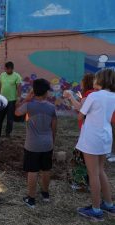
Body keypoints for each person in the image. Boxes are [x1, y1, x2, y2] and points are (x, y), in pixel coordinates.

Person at [75, 68, 115, 221]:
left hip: (92, 138)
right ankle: (109, 204)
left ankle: (96, 210)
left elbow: (80, 115)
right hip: (105, 136)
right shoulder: (113, 96)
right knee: (100, 171)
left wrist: (76, 102)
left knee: (93, 174)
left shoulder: (94, 96)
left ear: (101, 80)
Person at [15, 78, 57, 208]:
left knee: (32, 171)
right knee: (46, 169)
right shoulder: (51, 107)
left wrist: (26, 99)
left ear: (34, 91)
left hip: (32, 145)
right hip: (47, 143)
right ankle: (45, 194)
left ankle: (31, 199)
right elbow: (54, 128)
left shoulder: (29, 105)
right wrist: (52, 142)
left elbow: (16, 112)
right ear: (46, 93)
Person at [63, 73, 95, 190]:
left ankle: (81, 183)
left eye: (82, 80)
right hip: (92, 131)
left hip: (87, 132)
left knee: (80, 156)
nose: (80, 82)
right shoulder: (92, 94)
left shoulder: (89, 95)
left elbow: (80, 110)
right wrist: (80, 99)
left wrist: (71, 97)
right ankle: (91, 182)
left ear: (86, 82)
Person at [0, 61, 22, 137]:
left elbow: (19, 88)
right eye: (6, 69)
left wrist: (18, 98)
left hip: (11, 100)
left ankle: (8, 132)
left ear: (12, 69)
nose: (7, 70)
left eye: (8, 69)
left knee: (10, 118)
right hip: (2, 100)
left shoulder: (17, 76)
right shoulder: (2, 75)